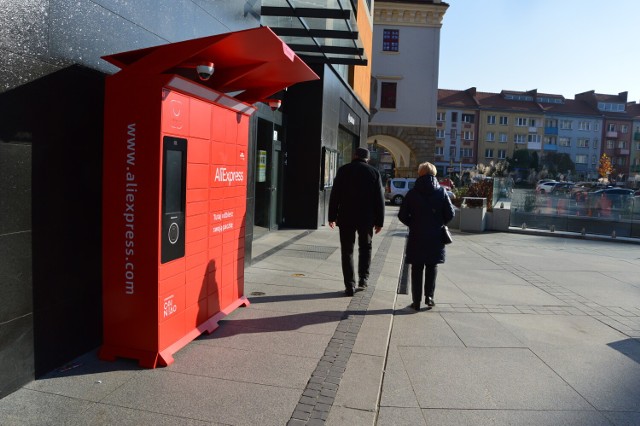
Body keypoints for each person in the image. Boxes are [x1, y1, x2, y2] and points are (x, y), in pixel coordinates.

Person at [328, 147, 385, 296]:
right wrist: (379, 221)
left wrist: (332, 216)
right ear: (368, 159)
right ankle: (363, 280)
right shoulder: (374, 172)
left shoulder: (343, 170)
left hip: (346, 217)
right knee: (365, 248)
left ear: (354, 156)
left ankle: (349, 285)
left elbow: (335, 195)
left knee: (347, 251)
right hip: (366, 218)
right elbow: (379, 199)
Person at [398, 162, 455, 311]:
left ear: (420, 173)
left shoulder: (412, 193)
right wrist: (439, 222)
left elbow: (402, 215)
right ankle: (429, 297)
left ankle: (416, 302)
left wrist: (413, 223)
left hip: (417, 235)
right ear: (434, 174)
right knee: (432, 266)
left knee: (416, 268)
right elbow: (451, 214)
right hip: (435, 236)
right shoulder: (441, 192)